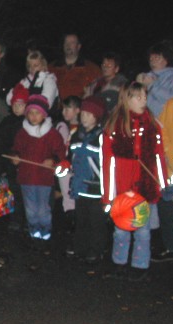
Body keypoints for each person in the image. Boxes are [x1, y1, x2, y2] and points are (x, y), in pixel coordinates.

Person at [102, 82, 168, 281]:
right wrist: (109, 196)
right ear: (126, 99)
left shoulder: (152, 125)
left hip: (145, 187)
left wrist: (163, 184)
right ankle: (119, 263)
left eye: (144, 97)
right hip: (123, 189)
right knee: (121, 230)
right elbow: (108, 164)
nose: (143, 101)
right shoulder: (115, 127)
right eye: (137, 97)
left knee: (143, 231)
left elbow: (158, 157)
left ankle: (140, 265)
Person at [11, 94, 65, 241]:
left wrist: (53, 160)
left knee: (43, 208)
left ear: (44, 114)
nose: (34, 117)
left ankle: (45, 229)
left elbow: (60, 152)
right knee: (30, 207)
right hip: (26, 177)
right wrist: (15, 156)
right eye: (31, 113)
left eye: (38, 113)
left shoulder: (52, 134)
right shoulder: (23, 132)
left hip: (44, 178)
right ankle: (33, 229)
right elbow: (16, 148)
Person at [68, 96, 107, 263]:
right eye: (83, 113)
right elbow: (70, 157)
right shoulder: (76, 135)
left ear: (97, 117)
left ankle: (96, 248)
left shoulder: (102, 137)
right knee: (81, 218)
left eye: (89, 114)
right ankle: (80, 246)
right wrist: (65, 165)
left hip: (96, 187)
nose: (84, 117)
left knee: (96, 220)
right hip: (80, 185)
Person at [0, 83, 29, 232]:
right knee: (8, 191)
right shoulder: (6, 122)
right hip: (7, 164)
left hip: (23, 165)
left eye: (21, 104)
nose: (17, 107)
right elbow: (0, 142)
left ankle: (24, 219)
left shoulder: (29, 123)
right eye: (15, 104)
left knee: (23, 194)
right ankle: (10, 218)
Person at [151, 94, 173, 262]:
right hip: (171, 168)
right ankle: (172, 247)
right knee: (167, 206)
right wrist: (167, 151)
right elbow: (160, 128)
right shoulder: (172, 103)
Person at [55, 96, 81, 253]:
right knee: (67, 198)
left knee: (77, 199)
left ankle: (78, 232)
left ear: (77, 110)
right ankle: (69, 232)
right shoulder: (61, 126)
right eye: (63, 108)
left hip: (78, 169)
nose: (64, 112)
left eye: (68, 108)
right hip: (65, 169)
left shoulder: (83, 127)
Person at [49, 32, 101, 100]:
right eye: (66, 42)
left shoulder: (92, 69)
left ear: (79, 46)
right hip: (56, 109)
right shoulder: (51, 68)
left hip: (80, 108)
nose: (68, 45)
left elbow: (101, 88)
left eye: (72, 42)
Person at [6, 50, 59, 116]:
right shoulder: (25, 81)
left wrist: (25, 107)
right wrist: (16, 105)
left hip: (43, 118)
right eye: (29, 66)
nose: (32, 68)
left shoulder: (49, 80)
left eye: (35, 65)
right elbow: (10, 98)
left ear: (43, 65)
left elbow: (45, 103)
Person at [136, 40, 173, 118]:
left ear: (166, 60)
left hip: (166, 123)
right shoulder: (144, 77)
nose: (152, 60)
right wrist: (137, 86)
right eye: (151, 57)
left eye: (157, 57)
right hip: (145, 122)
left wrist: (152, 86)